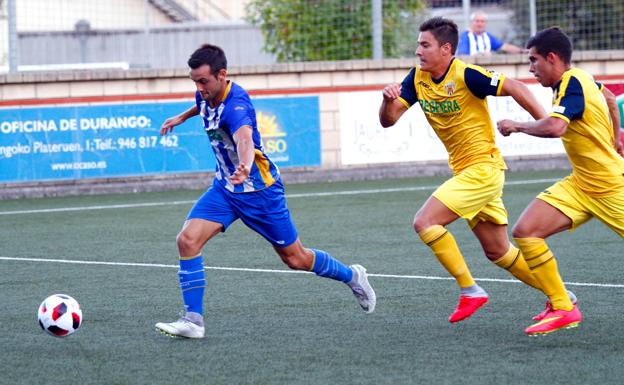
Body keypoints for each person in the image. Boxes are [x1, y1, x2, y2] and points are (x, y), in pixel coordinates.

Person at [155, 44, 376, 339]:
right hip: (225, 189)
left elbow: (244, 139)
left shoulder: (237, 106)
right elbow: (202, 104)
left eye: (203, 81)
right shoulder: (205, 92)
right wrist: (182, 117)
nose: (198, 87)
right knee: (187, 240)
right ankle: (193, 321)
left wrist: (245, 166)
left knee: (295, 258)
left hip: (260, 192)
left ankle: (352, 275)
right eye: (194, 81)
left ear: (222, 75)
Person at [378, 17, 574, 326]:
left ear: (446, 49)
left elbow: (517, 86)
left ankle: (470, 290)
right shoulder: (417, 78)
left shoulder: (467, 74)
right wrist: (387, 101)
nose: (418, 51)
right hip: (467, 174)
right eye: (418, 44)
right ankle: (560, 294)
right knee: (498, 252)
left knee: (425, 222)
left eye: (424, 45)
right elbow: (389, 120)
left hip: (483, 170)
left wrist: (547, 123)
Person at [497, 27, 624, 336]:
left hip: (611, 186)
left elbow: (556, 128)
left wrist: (517, 125)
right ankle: (563, 306)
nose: (530, 68)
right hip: (581, 185)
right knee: (526, 232)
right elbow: (608, 96)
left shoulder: (571, 82)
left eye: (534, 60)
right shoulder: (581, 79)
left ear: (552, 58)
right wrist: (616, 138)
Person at [457, 11, 524, 56]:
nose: (480, 24)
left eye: (482, 21)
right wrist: (480, 55)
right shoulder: (466, 36)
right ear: (472, 23)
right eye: (477, 21)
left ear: (486, 23)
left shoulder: (487, 36)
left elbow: (504, 47)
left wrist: (521, 51)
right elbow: (462, 55)